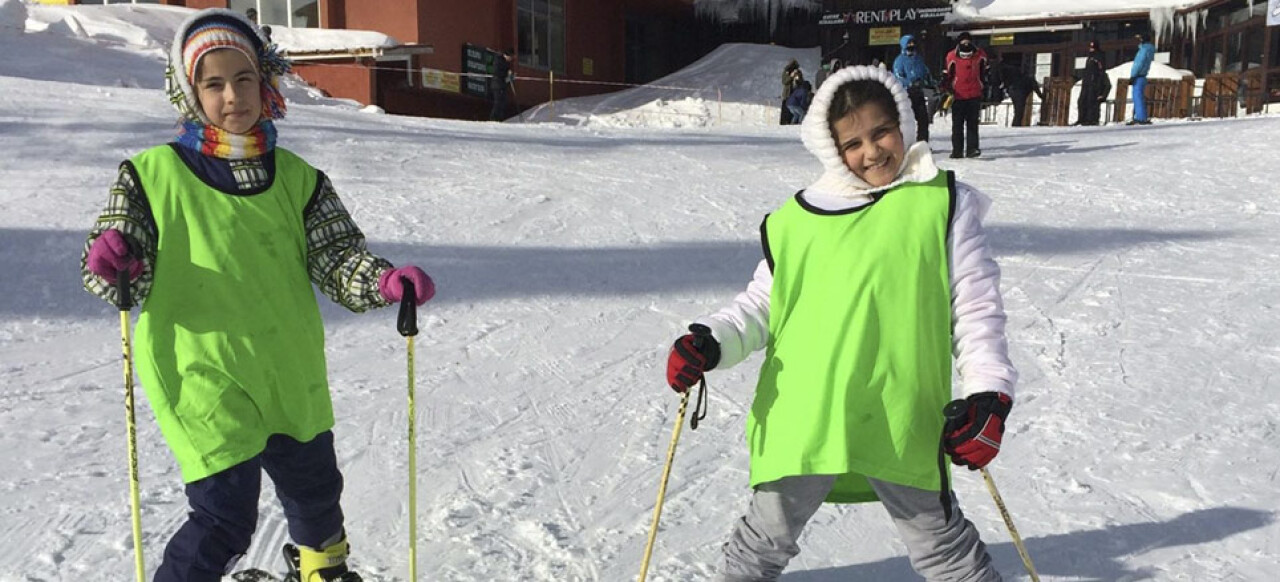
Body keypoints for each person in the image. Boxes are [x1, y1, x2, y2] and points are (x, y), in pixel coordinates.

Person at [79, 9, 435, 582]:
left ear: (264, 83)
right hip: (202, 369)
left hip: (286, 365)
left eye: (244, 79)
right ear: (190, 91)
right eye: (213, 83)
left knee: (317, 493)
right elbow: (121, 270)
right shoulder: (151, 175)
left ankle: (322, 571)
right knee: (225, 514)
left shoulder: (298, 179)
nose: (232, 96)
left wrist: (383, 282)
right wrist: (113, 257)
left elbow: (336, 256)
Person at [665, 65, 1018, 582]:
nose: (872, 152)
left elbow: (976, 307)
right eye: (853, 143)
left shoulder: (939, 204)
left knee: (941, 543)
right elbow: (762, 304)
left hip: (898, 409)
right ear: (831, 149)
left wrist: (989, 394)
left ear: (904, 123)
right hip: (807, 412)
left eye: (882, 132)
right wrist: (711, 341)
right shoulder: (798, 220)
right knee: (765, 539)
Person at [943, 31, 989, 158]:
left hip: (974, 93)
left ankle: (972, 149)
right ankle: (957, 150)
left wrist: (984, 86)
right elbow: (947, 74)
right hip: (958, 95)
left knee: (972, 124)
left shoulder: (980, 55)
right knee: (957, 125)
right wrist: (947, 88)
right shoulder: (952, 56)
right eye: (963, 41)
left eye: (968, 41)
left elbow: (984, 71)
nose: (966, 44)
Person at [892, 33, 932, 143]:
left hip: (918, 92)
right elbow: (898, 75)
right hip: (906, 93)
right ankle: (904, 142)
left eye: (913, 43)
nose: (911, 45)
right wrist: (909, 83)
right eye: (909, 43)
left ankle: (922, 142)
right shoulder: (900, 60)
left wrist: (927, 81)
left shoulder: (918, 59)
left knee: (923, 119)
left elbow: (925, 71)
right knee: (906, 120)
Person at [1077, 41, 1111, 125]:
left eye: (1092, 47)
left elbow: (1101, 70)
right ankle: (1082, 119)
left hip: (1095, 83)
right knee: (1082, 101)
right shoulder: (1090, 57)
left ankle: (1091, 120)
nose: (1091, 49)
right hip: (1087, 82)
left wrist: (1102, 93)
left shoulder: (1099, 57)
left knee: (1091, 102)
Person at [1001, 62, 1044, 127]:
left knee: (1017, 110)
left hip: (1013, 90)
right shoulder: (1030, 79)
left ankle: (1016, 124)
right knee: (1019, 111)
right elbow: (1036, 89)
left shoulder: (1020, 76)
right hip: (1020, 92)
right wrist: (1041, 96)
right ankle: (1016, 125)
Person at [1128, 33, 1155, 125]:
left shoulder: (1143, 50)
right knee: (1139, 96)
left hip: (1139, 76)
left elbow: (1138, 63)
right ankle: (1140, 116)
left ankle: (1140, 117)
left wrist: (1133, 75)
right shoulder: (1150, 49)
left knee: (1137, 97)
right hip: (1143, 76)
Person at [489, 48, 514, 121]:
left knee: (503, 102)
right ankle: (493, 118)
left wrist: (510, 76)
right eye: (510, 57)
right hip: (497, 85)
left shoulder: (506, 63)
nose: (511, 59)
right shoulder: (498, 61)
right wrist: (506, 74)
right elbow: (497, 72)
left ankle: (500, 118)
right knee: (498, 102)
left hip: (503, 85)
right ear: (507, 55)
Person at [781, 59, 800, 125]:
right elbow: (784, 81)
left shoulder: (798, 72)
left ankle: (793, 122)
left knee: (794, 109)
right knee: (786, 109)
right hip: (787, 93)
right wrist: (791, 77)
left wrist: (798, 78)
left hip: (795, 93)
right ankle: (785, 122)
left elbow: (801, 82)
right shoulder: (786, 71)